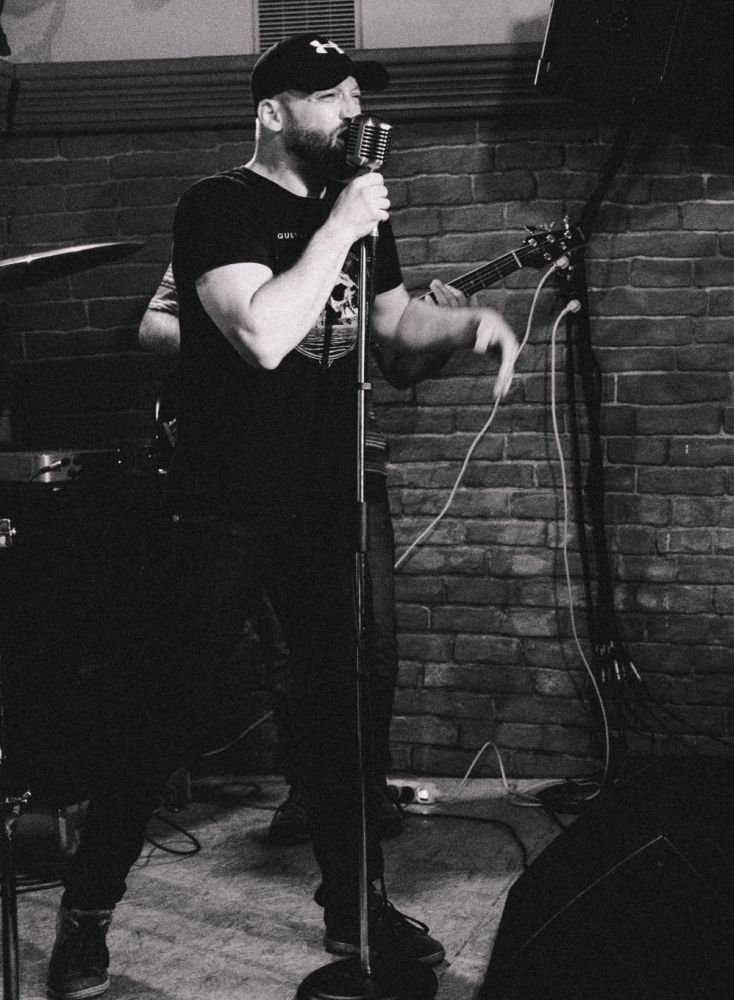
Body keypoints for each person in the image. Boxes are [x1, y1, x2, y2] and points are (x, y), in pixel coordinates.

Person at [47, 33, 519, 1000]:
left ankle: (357, 910)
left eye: (355, 96)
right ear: (273, 112)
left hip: (325, 499)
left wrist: (469, 325)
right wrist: (340, 226)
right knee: (162, 712)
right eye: (330, 96)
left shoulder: (359, 212)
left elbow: (390, 325)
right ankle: (86, 914)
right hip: (223, 503)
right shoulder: (218, 206)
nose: (352, 111)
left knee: (339, 719)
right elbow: (261, 332)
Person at [141, 262, 472, 844]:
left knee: (373, 640)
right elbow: (153, 327)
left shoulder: (359, 246)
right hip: (265, 466)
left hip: (351, 465)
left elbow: (398, 369)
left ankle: (365, 785)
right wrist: (257, 337)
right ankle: (307, 790)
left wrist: (446, 330)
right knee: (289, 649)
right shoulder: (232, 234)